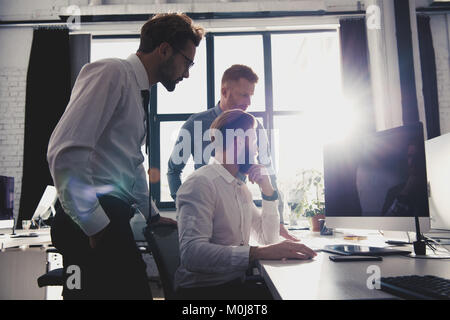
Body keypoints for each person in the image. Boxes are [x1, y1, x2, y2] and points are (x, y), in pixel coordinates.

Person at [47, 13, 205, 300]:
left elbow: (130, 163)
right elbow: (66, 151)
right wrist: (95, 225)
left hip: (109, 219)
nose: (187, 73)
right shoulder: (112, 72)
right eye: (188, 62)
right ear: (165, 49)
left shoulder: (137, 90)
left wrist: (153, 215)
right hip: (90, 221)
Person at [174, 109, 317, 300]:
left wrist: (267, 190)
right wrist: (256, 253)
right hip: (203, 294)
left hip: (234, 286)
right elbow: (192, 254)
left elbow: (268, 238)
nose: (257, 150)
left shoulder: (240, 188)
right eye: (255, 142)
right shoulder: (201, 183)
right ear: (238, 142)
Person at [167, 64, 296, 241]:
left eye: (251, 95)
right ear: (225, 91)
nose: (249, 102)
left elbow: (268, 171)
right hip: (205, 212)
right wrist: (185, 207)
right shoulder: (195, 124)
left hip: (239, 212)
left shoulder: (254, 127)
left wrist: (278, 220)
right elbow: (173, 170)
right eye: (244, 95)